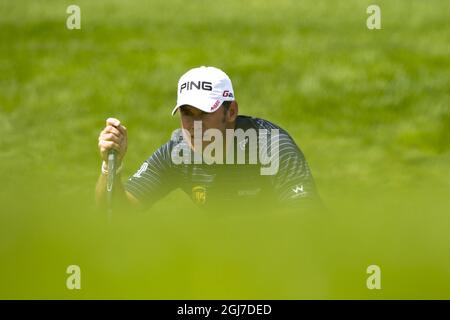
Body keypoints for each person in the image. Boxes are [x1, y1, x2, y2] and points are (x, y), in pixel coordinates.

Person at [96, 66, 319, 210]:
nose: (194, 126)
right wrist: (110, 167)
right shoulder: (177, 154)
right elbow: (116, 213)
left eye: (204, 114)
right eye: (187, 114)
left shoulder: (272, 147)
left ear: (231, 112)